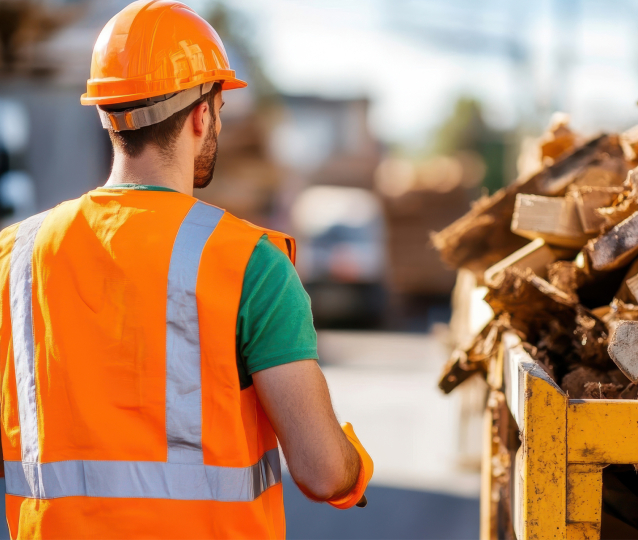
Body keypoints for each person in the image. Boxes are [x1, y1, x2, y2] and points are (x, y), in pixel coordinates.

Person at [0, 1, 372, 538]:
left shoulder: (17, 256)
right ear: (204, 114)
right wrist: (355, 469)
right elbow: (321, 471)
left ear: (106, 115)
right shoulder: (250, 264)